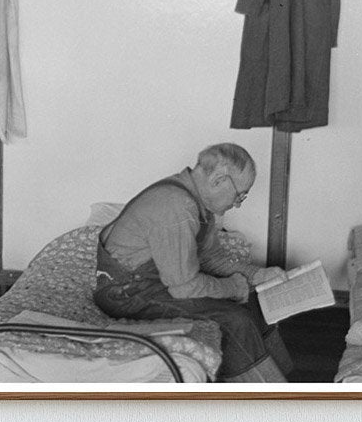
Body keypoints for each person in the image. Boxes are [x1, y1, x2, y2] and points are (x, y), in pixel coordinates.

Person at [94, 143, 288, 383]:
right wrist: (234, 287)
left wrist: (256, 275)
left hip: (159, 282)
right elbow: (185, 287)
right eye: (240, 194)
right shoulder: (177, 206)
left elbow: (209, 257)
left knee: (255, 301)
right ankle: (266, 398)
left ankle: (282, 380)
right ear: (219, 180)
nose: (238, 204)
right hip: (127, 293)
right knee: (236, 320)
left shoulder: (195, 199)